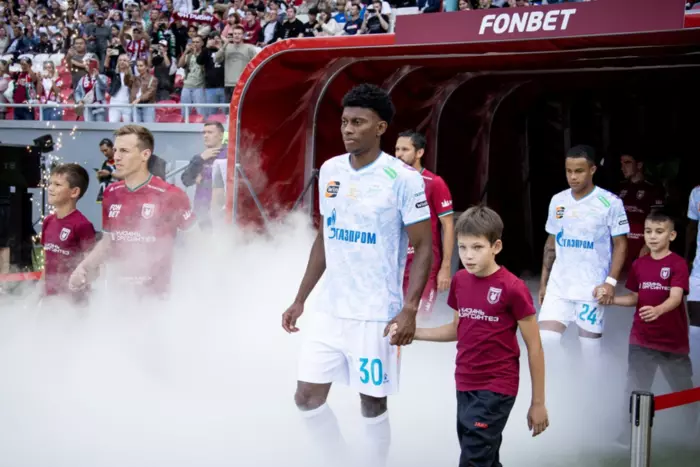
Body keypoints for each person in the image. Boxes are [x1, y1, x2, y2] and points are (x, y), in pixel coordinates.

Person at [281, 84, 433, 467]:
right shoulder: (331, 170)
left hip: (376, 314)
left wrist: (409, 309)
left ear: (380, 128)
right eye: (345, 121)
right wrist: (300, 299)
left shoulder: (403, 179)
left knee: (372, 402)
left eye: (359, 122)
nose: (348, 129)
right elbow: (325, 237)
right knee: (306, 397)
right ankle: (338, 459)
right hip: (330, 311)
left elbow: (424, 246)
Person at [413, 206, 548, 467]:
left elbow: (535, 348)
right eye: (462, 247)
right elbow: (458, 329)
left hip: (497, 387)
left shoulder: (513, 288)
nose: (468, 255)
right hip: (464, 382)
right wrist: (415, 333)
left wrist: (538, 403)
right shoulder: (460, 281)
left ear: (496, 246)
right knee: (483, 458)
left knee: (473, 459)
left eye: (477, 247)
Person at [68, 125, 196, 298]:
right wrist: (83, 268)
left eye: (124, 151)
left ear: (145, 155)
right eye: (115, 150)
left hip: (157, 298)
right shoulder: (111, 193)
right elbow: (107, 242)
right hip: (118, 295)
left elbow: (197, 243)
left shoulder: (171, 194)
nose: (116, 157)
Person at [612, 208, 697, 445]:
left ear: (672, 235)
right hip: (641, 339)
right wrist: (612, 300)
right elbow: (635, 298)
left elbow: (676, 298)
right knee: (635, 390)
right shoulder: (639, 264)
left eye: (659, 231)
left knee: (684, 392)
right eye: (648, 231)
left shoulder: (678, 264)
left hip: (673, 343)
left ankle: (691, 433)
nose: (652, 236)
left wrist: (658, 310)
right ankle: (629, 435)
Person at [538, 145, 629, 365]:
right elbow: (551, 243)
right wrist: (544, 283)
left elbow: (621, 244)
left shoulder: (610, 202)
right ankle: (565, 376)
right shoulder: (558, 200)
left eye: (579, 171)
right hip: (559, 287)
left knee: (590, 352)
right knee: (546, 340)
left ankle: (590, 385)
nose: (573, 177)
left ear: (592, 170)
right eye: (568, 171)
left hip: (592, 289)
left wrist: (610, 282)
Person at [395, 130, 454, 314]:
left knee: (419, 318)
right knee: (392, 319)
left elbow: (448, 226)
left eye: (405, 149)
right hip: (396, 264)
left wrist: (445, 267)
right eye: (397, 149)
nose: (399, 154)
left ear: (419, 152)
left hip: (424, 265)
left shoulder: (435, 183)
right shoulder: (391, 182)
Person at [41, 164, 96, 300]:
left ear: (74, 192)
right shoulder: (48, 221)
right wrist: (38, 293)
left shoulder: (82, 225)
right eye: (50, 183)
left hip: (74, 302)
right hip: (51, 300)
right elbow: (47, 264)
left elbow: (93, 267)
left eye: (58, 184)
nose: (50, 188)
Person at [618, 152, 664, 273]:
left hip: (642, 242)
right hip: (622, 242)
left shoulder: (653, 188)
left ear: (639, 165)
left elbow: (656, 219)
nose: (623, 167)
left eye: (627, 163)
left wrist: (648, 245)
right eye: (621, 163)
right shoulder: (620, 187)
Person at [683, 185, 700, 359]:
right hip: (698, 271)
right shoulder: (697, 193)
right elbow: (692, 227)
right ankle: (695, 369)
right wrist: (686, 258)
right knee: (695, 328)